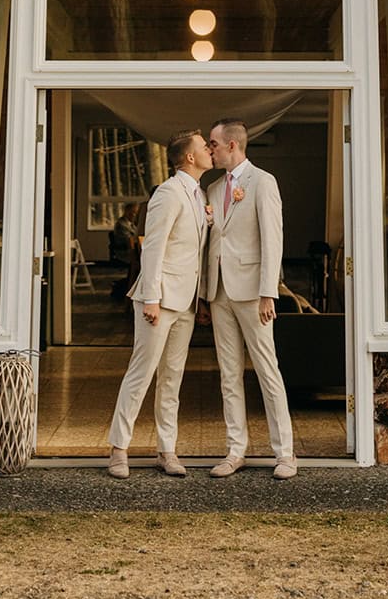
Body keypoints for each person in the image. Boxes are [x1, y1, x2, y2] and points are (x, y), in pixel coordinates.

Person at [107, 129, 212, 478]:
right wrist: (150, 297)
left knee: (173, 378)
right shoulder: (168, 193)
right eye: (203, 147)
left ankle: (167, 450)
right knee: (142, 373)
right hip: (159, 299)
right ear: (190, 158)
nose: (210, 151)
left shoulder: (198, 194)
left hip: (186, 301)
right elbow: (153, 246)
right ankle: (118, 449)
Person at [205, 117, 297, 479]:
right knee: (228, 374)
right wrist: (204, 294)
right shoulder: (213, 188)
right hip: (219, 291)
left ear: (232, 145)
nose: (209, 150)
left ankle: (285, 454)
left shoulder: (263, 182)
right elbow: (213, 239)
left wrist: (267, 293)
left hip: (252, 292)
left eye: (213, 144)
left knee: (266, 370)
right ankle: (235, 449)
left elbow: (273, 239)